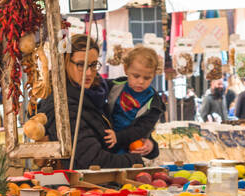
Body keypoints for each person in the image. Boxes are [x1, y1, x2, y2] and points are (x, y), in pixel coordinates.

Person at [36, 35, 148, 170]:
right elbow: (93, 161)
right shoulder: (62, 107)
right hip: (73, 187)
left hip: (100, 183)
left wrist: (147, 143)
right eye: (81, 65)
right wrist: (136, 161)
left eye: (93, 65)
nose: (89, 73)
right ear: (65, 63)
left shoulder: (95, 95)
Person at [105, 45, 163, 157]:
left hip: (132, 150)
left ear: (154, 75)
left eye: (147, 78)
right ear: (126, 69)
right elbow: (97, 87)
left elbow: (142, 129)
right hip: (107, 145)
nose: (141, 81)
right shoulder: (115, 86)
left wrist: (118, 137)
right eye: (136, 76)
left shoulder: (154, 102)